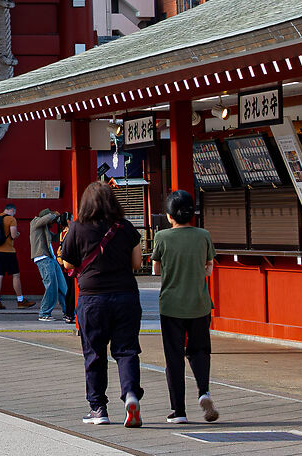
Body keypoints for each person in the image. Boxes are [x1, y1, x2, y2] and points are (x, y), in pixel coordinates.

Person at [66, 180, 148, 427]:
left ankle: (98, 408)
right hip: (125, 297)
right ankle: (131, 394)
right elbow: (137, 264)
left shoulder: (77, 228)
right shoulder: (125, 227)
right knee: (127, 350)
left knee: (94, 353)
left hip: (92, 299)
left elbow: (68, 263)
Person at [150, 190, 219, 424]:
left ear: (170, 215)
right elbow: (209, 267)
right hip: (199, 303)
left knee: (174, 357)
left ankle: (178, 410)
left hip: (171, 305)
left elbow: (156, 270)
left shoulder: (161, 237)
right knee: (200, 351)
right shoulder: (203, 235)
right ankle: (204, 392)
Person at [31, 207, 72, 322]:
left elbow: (54, 238)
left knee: (63, 286)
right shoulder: (35, 222)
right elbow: (46, 218)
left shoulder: (44, 229)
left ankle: (68, 312)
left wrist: (63, 229)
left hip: (51, 258)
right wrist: (55, 214)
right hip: (43, 258)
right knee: (51, 286)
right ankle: (44, 313)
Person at [0, 201, 27, 311]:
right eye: (14, 212)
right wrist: (17, 234)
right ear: (12, 210)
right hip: (8, 251)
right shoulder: (11, 219)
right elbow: (13, 235)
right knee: (16, 275)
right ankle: (20, 300)